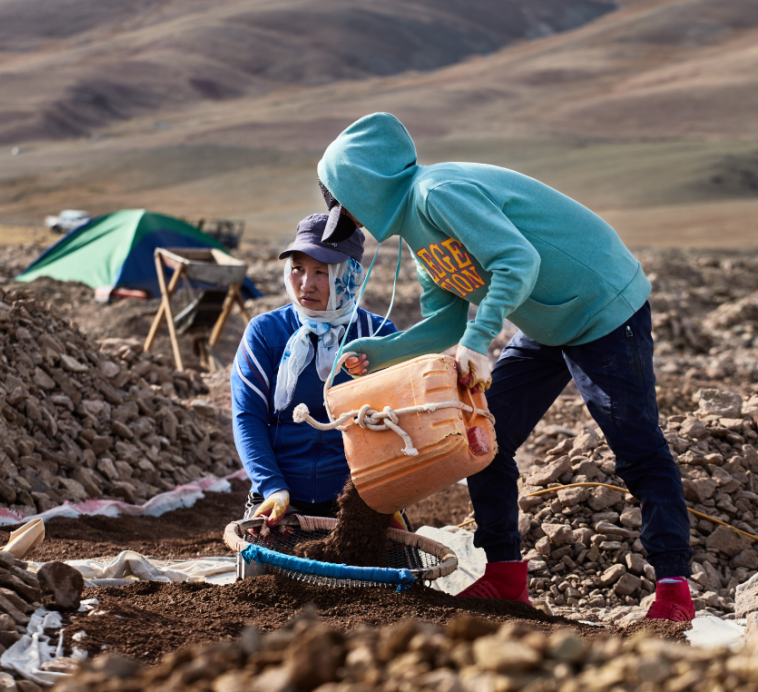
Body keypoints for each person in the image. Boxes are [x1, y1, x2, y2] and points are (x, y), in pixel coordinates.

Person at [314, 112, 694, 621]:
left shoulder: (437, 193)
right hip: (546, 323)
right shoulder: (418, 234)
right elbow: (444, 325)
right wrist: (379, 352)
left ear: (364, 188)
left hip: (603, 307)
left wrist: (480, 339)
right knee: (483, 439)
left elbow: (518, 261)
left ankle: (673, 590)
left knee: (636, 445)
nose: (353, 220)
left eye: (348, 207)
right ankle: (506, 577)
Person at [231, 213, 401, 528]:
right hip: (281, 494)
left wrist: (383, 493)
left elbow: (401, 421)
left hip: (360, 496)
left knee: (388, 571)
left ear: (349, 275)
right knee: (263, 573)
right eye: (297, 268)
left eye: (321, 271)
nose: (306, 284)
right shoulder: (265, 333)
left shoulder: (378, 335)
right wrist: (272, 487)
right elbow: (248, 417)